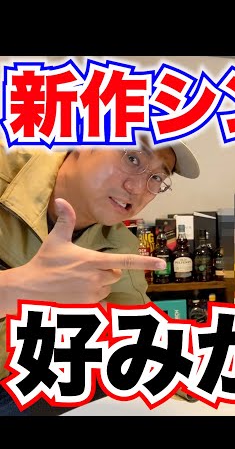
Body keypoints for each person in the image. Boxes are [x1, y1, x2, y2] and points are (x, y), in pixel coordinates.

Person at [0, 134, 200, 415]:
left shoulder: (118, 246)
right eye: (132, 158)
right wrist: (14, 289)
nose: (137, 189)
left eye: (156, 178)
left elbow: (146, 337)